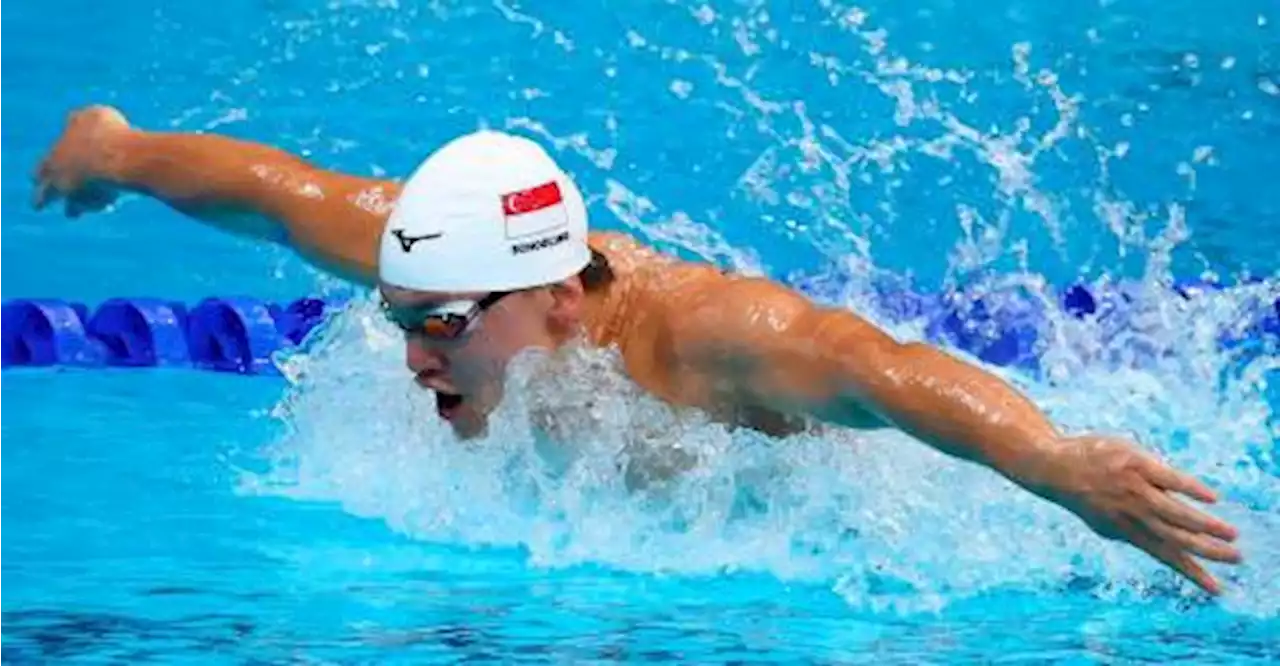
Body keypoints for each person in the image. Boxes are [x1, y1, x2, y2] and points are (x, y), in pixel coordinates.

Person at [31, 105, 1243, 594]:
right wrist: (114, 154)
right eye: (403, 321)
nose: (409, 355)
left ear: (560, 298)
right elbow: (278, 191)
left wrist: (1052, 467)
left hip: (881, 495)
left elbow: (882, 371)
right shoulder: (441, 263)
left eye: (438, 328)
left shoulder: (710, 343)